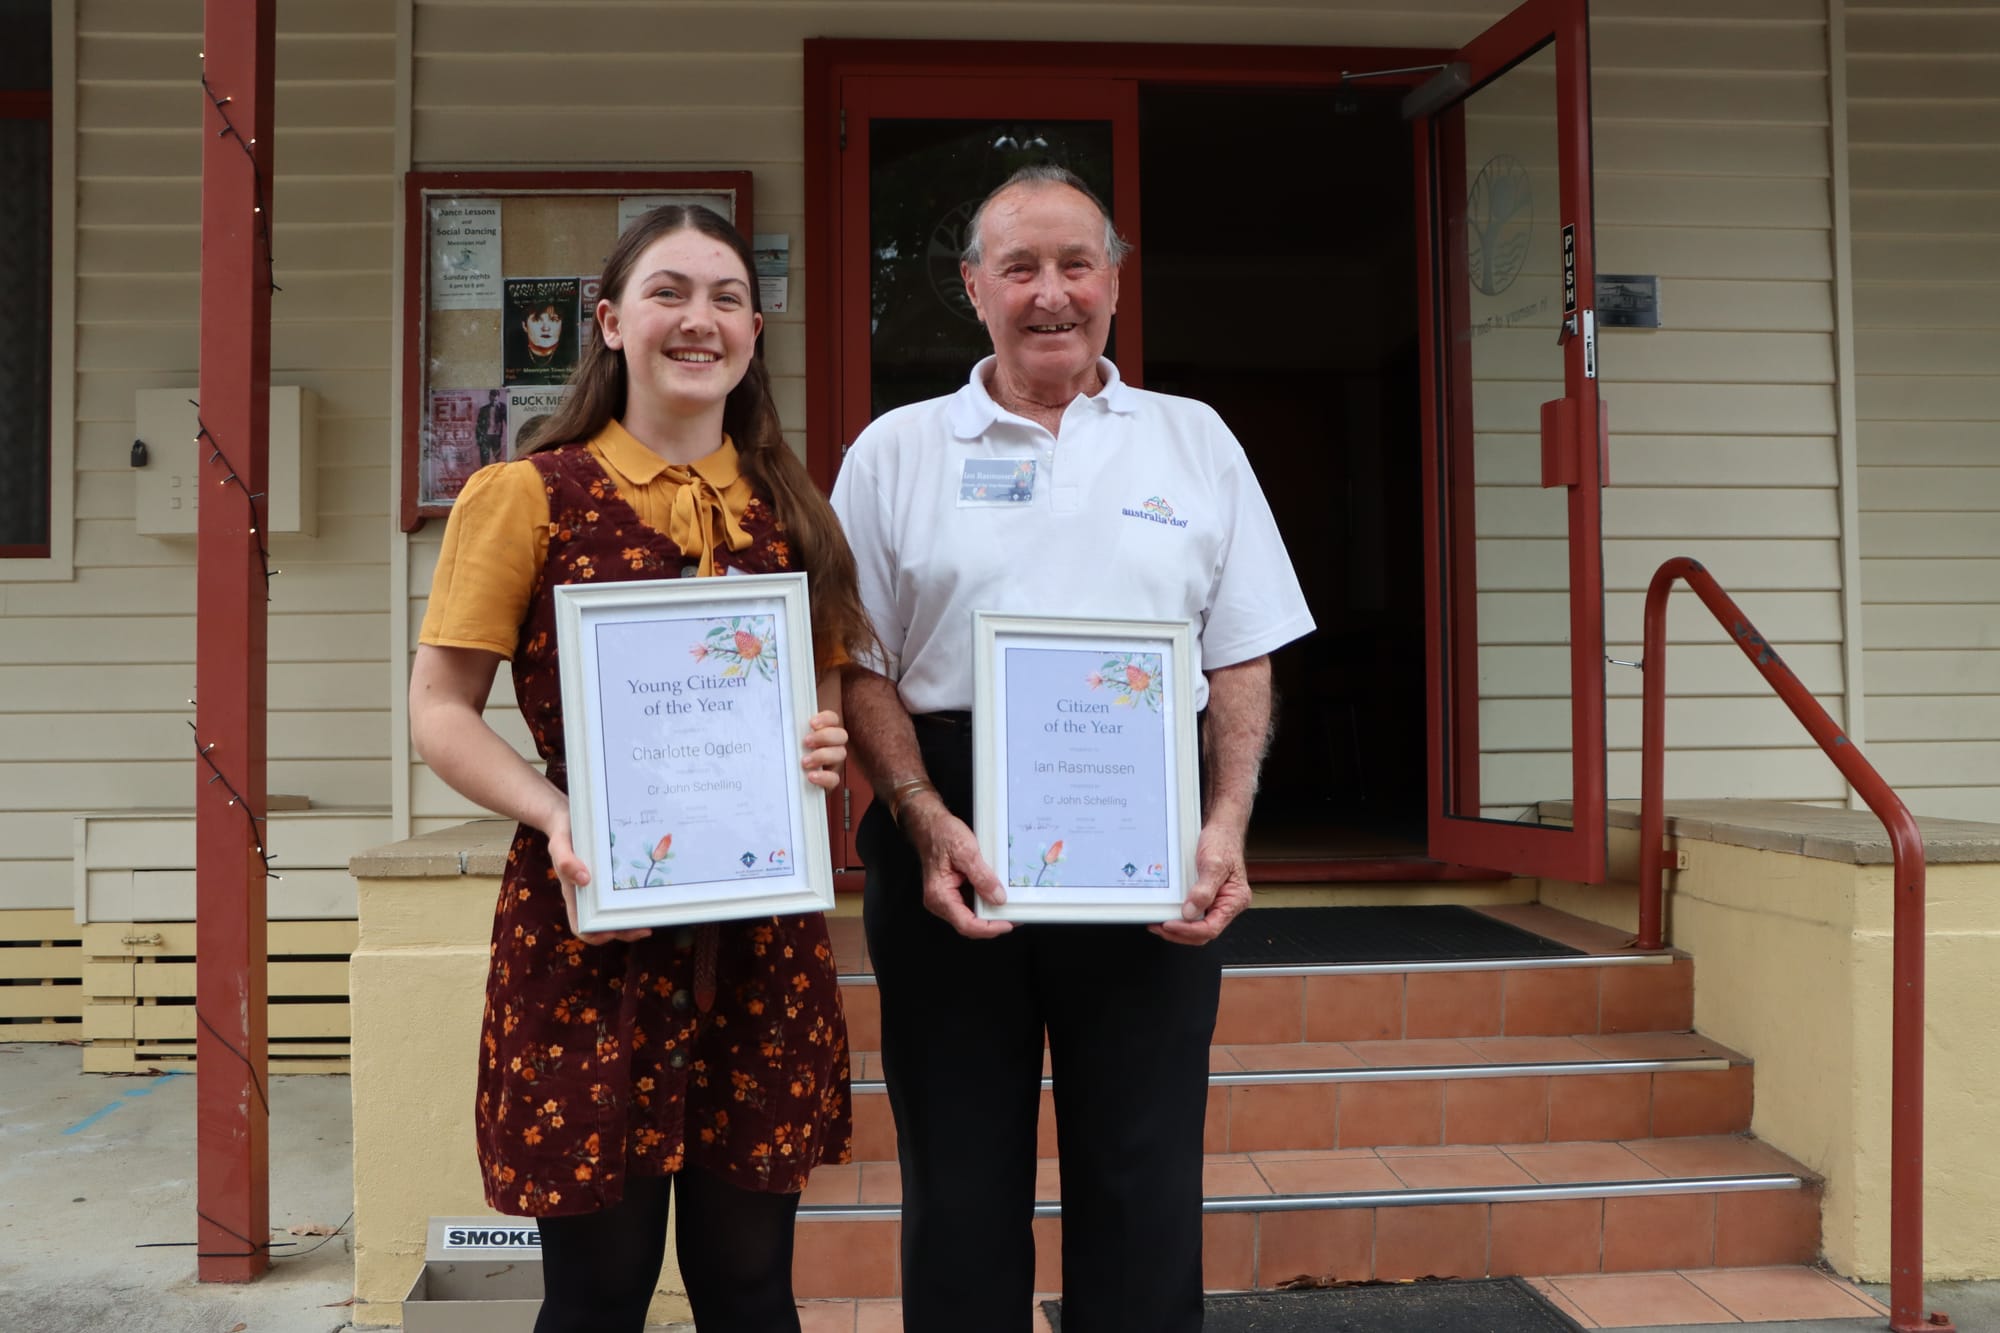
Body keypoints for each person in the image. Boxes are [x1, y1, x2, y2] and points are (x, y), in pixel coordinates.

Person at [829, 165, 1315, 1331]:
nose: (1051, 295)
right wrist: (917, 811)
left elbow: (1239, 652)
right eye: (1019, 268)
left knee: (1142, 1171)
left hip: (1140, 834)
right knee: (957, 1172)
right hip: (946, 832)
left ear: (1114, 280)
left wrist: (1223, 824)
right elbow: (857, 663)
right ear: (971, 288)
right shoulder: (895, 451)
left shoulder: (1192, 441)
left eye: (1075, 264)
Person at [409, 204, 877, 1333]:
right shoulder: (525, 496)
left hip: (756, 943)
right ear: (611, 322)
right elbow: (439, 709)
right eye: (668, 292)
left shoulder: (789, 510)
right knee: (597, 1294)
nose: (697, 318)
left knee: (752, 1288)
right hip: (586, 932)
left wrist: (820, 743)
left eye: (723, 297)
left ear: (753, 331)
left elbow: (820, 694)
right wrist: (555, 809)